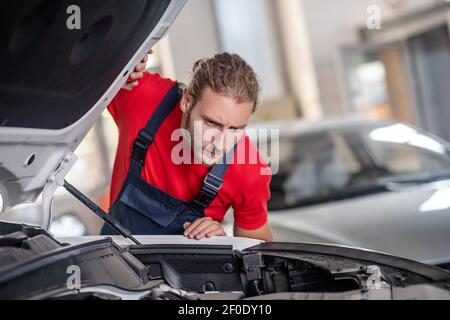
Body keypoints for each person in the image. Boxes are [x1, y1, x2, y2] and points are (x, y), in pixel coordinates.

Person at [100, 50, 273, 242]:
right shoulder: (140, 97)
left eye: (235, 129)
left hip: (182, 271)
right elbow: (82, 66)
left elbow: (258, 259)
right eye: (211, 123)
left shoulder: (250, 171)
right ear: (187, 100)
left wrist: (224, 243)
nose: (220, 143)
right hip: (114, 263)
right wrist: (120, 61)